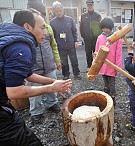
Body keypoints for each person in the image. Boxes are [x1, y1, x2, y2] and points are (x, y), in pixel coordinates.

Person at [0, 9, 72, 145]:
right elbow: (14, 92)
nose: (45, 32)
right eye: (42, 27)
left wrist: (53, 81)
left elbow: (27, 74)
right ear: (27, 27)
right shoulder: (20, 47)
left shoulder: (11, 36)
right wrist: (51, 88)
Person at [26, 0, 62, 124]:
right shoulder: (25, 29)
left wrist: (57, 60)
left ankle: (52, 103)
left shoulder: (48, 28)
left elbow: (54, 45)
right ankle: (36, 111)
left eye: (42, 13)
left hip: (49, 65)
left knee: (53, 87)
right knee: (34, 91)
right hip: (34, 69)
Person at [50, 1, 81, 80]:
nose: (59, 12)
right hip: (60, 45)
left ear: (62, 10)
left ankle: (76, 74)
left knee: (74, 60)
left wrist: (76, 41)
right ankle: (66, 75)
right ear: (54, 11)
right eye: (57, 11)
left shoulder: (69, 19)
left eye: (60, 10)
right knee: (64, 62)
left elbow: (74, 31)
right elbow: (52, 35)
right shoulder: (52, 22)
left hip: (70, 44)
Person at [95, 17, 122, 104]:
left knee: (112, 82)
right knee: (105, 81)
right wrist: (96, 62)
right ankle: (106, 96)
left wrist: (118, 66)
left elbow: (119, 53)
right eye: (103, 28)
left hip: (112, 64)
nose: (105, 30)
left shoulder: (117, 38)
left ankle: (113, 96)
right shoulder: (100, 38)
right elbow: (97, 51)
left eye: (107, 28)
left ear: (111, 27)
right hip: (103, 64)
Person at [80, 0, 101, 71]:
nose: (90, 6)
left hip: (96, 39)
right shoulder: (83, 16)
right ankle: (89, 66)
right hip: (87, 39)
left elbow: (100, 27)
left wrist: (99, 37)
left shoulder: (97, 16)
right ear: (86, 6)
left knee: (96, 53)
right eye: (88, 5)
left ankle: (96, 67)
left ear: (93, 5)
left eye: (91, 5)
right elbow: (81, 27)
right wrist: (84, 36)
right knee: (88, 53)